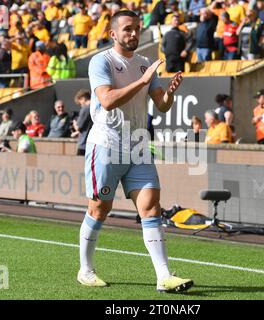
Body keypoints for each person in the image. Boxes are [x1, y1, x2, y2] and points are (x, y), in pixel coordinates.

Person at [78, 10, 193, 292]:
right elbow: (106, 101)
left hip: (138, 145)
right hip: (106, 145)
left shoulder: (145, 63)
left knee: (151, 207)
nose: (133, 33)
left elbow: (162, 105)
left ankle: (164, 276)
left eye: (137, 29)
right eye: (127, 29)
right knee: (99, 209)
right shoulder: (100, 61)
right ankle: (86, 269)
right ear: (113, 33)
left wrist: (169, 93)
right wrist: (142, 82)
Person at [73, 89, 93, 156]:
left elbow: (78, 127)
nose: (81, 105)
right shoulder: (95, 107)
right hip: (92, 143)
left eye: (80, 103)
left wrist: (74, 123)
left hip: (84, 144)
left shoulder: (86, 109)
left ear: (83, 98)